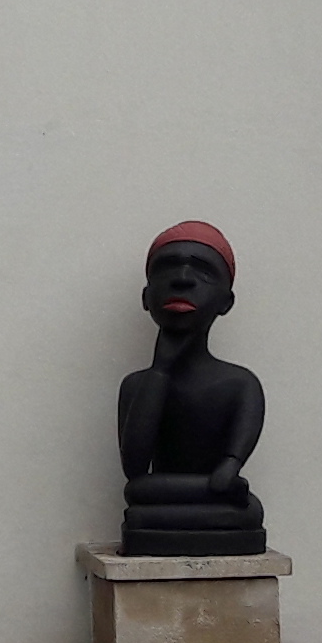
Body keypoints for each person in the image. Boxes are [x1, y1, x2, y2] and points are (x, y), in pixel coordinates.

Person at [115, 221, 265, 556]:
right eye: (166, 268)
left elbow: (226, 472)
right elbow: (135, 470)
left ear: (226, 301)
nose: (182, 279)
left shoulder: (240, 383)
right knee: (138, 495)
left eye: (204, 271)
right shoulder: (137, 384)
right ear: (146, 297)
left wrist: (228, 468)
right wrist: (161, 371)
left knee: (248, 510)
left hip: (210, 497)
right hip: (165, 496)